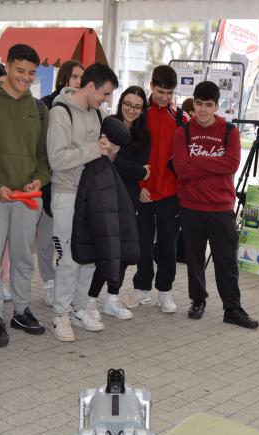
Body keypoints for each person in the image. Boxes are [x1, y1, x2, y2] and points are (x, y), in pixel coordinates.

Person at [0, 44, 50, 347]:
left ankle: (21, 311)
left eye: (31, 73)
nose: (25, 78)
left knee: (23, 258)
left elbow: (43, 156)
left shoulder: (39, 109)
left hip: (26, 199)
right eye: (20, 70)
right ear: (6, 66)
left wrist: (40, 179)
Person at [173, 81, 258, 329]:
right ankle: (197, 300)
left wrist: (195, 161)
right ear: (193, 103)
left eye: (208, 105)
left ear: (216, 106)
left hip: (220, 207)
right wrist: (213, 165)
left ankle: (232, 308)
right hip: (190, 205)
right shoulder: (182, 132)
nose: (202, 109)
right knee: (194, 258)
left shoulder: (230, 132)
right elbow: (181, 169)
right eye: (199, 104)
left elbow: (231, 164)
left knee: (226, 260)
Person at [46, 63, 117, 342]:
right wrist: (94, 149)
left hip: (94, 194)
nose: (106, 99)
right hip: (67, 192)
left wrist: (109, 149)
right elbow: (57, 159)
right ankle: (60, 314)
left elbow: (105, 151)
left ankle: (80, 307)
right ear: (89, 86)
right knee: (70, 257)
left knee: (90, 256)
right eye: (104, 93)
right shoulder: (60, 111)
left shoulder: (99, 113)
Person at [89, 85, 151, 320]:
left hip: (129, 198)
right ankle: (90, 299)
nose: (131, 110)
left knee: (125, 249)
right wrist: (136, 170)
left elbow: (143, 169)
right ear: (120, 102)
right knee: (104, 249)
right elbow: (126, 167)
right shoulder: (108, 125)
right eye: (127, 104)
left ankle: (112, 298)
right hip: (105, 195)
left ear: (143, 109)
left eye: (137, 107)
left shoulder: (144, 135)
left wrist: (124, 163)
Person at [131, 64, 185, 313]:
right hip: (143, 192)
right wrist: (137, 187)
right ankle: (141, 288)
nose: (164, 97)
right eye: (160, 91)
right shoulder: (138, 114)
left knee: (167, 245)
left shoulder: (181, 118)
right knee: (142, 243)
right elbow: (129, 155)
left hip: (170, 194)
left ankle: (165, 291)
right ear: (151, 86)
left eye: (169, 93)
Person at [38, 59, 84, 306]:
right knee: (47, 238)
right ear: (64, 78)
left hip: (73, 182)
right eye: (75, 77)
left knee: (67, 238)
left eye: (82, 78)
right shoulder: (48, 105)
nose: (78, 82)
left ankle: (65, 283)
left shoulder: (85, 107)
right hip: (48, 180)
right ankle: (48, 281)